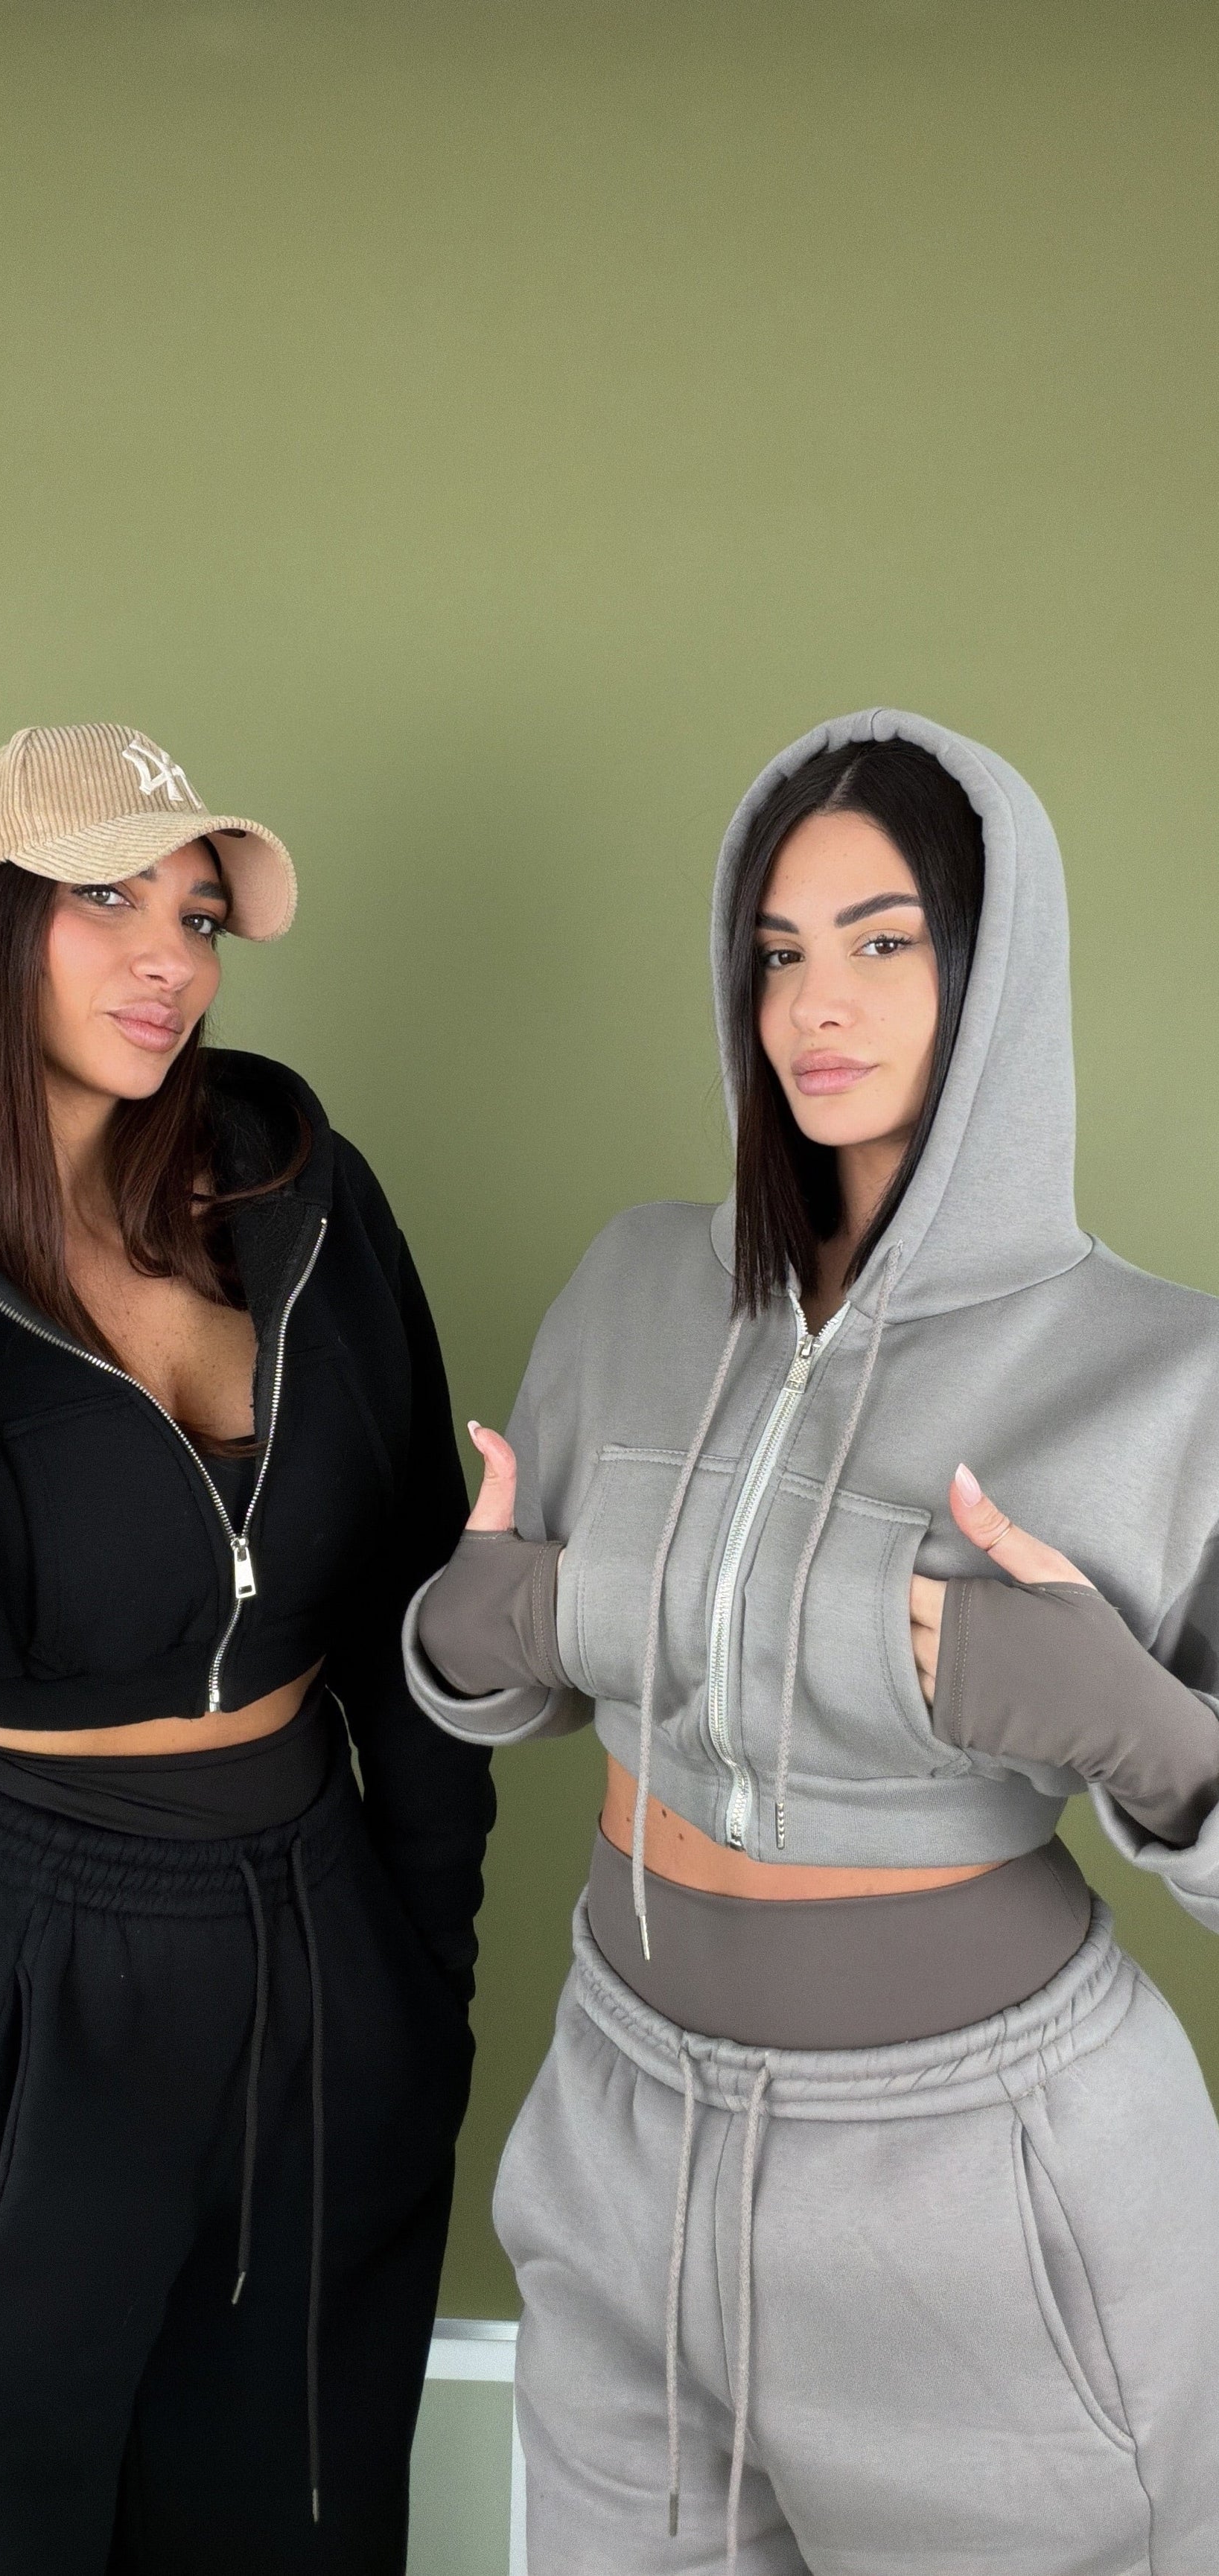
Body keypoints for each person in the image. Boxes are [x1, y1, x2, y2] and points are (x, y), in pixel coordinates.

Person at [403, 710, 1219, 2575]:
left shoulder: (1167, 1379)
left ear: (995, 970)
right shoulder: (632, 1281)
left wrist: (1136, 1727)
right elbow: (516, 1658)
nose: (811, 1005)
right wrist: (477, 1625)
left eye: (881, 941)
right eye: (775, 951)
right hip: (618, 2131)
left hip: (980, 2200)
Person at [0, 722, 493, 2576]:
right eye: (105, 897)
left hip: (312, 1946)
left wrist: (424, 1969)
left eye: (198, 913)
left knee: (292, 2515)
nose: (170, 956)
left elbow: (416, 1583)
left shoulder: (296, 1193)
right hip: (9, 1972)